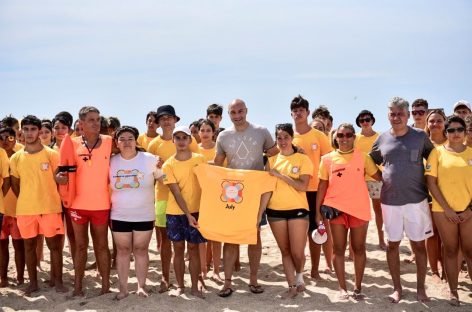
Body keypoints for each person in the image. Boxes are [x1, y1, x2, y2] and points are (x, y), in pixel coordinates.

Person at [370, 97, 434, 303]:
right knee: (392, 245)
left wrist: (427, 182)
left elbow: (433, 160)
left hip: (417, 201)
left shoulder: (420, 136)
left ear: (407, 115)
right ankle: (397, 288)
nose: (396, 117)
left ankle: (420, 289)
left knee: (418, 246)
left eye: (400, 113)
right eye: (392, 113)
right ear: (388, 115)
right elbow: (371, 163)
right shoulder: (381, 139)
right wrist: (383, 178)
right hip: (390, 202)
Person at [214, 99, 278, 297]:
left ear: (246, 111)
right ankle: (227, 282)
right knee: (231, 239)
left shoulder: (261, 131)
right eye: (233, 112)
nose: (237, 115)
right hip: (232, 194)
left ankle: (253, 279)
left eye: (240, 111)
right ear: (229, 115)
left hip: (256, 193)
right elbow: (217, 164)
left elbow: (275, 153)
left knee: (254, 236)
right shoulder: (223, 136)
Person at [317, 123, 382, 300]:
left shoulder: (364, 157)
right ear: (335, 138)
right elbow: (322, 185)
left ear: (354, 137)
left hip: (359, 209)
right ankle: (342, 288)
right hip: (335, 209)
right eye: (340, 135)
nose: (344, 138)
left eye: (348, 135)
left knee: (359, 249)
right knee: (338, 249)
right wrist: (317, 211)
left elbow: (380, 177)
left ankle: (358, 287)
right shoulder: (327, 159)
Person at [56, 106, 112, 297]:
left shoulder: (109, 142)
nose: (96, 123)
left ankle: (105, 287)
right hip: (77, 204)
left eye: (98, 119)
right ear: (81, 124)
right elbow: (60, 171)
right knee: (80, 246)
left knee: (102, 245)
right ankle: (78, 287)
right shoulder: (71, 144)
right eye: (91, 120)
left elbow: (133, 154)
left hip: (102, 204)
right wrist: (60, 179)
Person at [10, 115, 67, 295]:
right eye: (25, 129)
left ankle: (57, 281)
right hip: (26, 209)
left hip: (49, 207)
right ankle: (33, 283)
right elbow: (15, 185)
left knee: (54, 247)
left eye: (33, 129)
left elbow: (59, 180)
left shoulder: (52, 155)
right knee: (29, 247)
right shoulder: (16, 158)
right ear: (21, 131)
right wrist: (29, 198)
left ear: (39, 131)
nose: (29, 133)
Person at [147, 105, 199, 293]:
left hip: (191, 199)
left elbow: (199, 167)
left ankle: (196, 278)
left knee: (193, 244)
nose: (167, 121)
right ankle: (165, 276)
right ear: (158, 122)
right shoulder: (153, 144)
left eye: (170, 117)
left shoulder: (188, 141)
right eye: (163, 118)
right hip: (163, 197)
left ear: (175, 120)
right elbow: (152, 172)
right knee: (164, 241)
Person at [425, 116, 472, 306]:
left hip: (469, 211)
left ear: (465, 131)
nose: (455, 133)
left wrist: (470, 209)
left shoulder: (471, 154)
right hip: (443, 211)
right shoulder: (436, 153)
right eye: (451, 130)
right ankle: (453, 291)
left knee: (470, 251)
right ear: (446, 133)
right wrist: (447, 209)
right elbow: (431, 182)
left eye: (459, 129)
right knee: (451, 250)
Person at [109, 126, 160, 300]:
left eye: (130, 138)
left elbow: (165, 178)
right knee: (122, 250)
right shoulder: (111, 161)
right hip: (119, 214)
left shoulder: (149, 159)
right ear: (117, 142)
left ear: (136, 141)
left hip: (144, 214)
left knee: (140, 250)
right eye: (122, 138)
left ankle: (141, 286)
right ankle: (123, 289)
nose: (126, 142)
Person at [266, 123, 312, 299]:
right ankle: (292, 286)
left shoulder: (302, 159)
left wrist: (281, 176)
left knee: (297, 252)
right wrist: (260, 212)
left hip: (298, 210)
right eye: (279, 137)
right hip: (275, 212)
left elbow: (303, 186)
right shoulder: (271, 161)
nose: (282, 141)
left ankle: (300, 277)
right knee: (285, 251)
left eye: (286, 137)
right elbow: (267, 190)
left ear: (292, 138)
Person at [290, 95, 333, 279]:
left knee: (315, 231)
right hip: (294, 190)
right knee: (297, 233)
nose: (298, 113)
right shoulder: (289, 136)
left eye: (302, 110)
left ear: (308, 112)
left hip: (315, 190)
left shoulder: (319, 136)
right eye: (295, 110)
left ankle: (315, 269)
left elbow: (330, 161)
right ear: (291, 114)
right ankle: (299, 269)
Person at [162, 126, 206, 298]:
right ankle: (181, 286)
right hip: (176, 212)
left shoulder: (200, 159)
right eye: (177, 137)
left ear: (190, 140)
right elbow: (176, 192)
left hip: (197, 211)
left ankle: (195, 286)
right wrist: (188, 215)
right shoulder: (168, 165)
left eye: (184, 137)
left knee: (194, 249)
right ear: (173, 140)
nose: (181, 141)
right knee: (178, 249)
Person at [354, 110, 386, 250]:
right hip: (358, 179)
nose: (365, 122)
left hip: (376, 177)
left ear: (372, 120)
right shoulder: (354, 138)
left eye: (367, 119)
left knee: (378, 210)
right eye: (362, 120)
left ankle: (381, 240)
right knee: (356, 211)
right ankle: (355, 243)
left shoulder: (381, 137)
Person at [196, 119, 223, 282]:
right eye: (202, 130)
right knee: (201, 236)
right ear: (198, 133)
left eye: (208, 130)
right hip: (198, 197)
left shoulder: (219, 150)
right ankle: (203, 269)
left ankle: (217, 270)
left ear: (213, 132)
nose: (205, 133)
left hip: (217, 197)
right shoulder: (194, 150)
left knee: (216, 236)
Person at [424, 109, 448, 281]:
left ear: (445, 122)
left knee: (446, 236)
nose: (435, 124)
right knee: (431, 234)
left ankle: (446, 268)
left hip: (450, 197)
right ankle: (434, 270)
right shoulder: (422, 145)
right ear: (427, 124)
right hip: (426, 196)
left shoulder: (454, 142)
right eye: (431, 121)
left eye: (439, 120)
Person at [0, 128, 25, 287]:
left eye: (8, 137)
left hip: (18, 209)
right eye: (1, 138)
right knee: (2, 246)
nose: (5, 140)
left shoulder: (21, 155)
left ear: (15, 138)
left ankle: (20, 277)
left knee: (18, 246)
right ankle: (3, 277)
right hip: (2, 210)